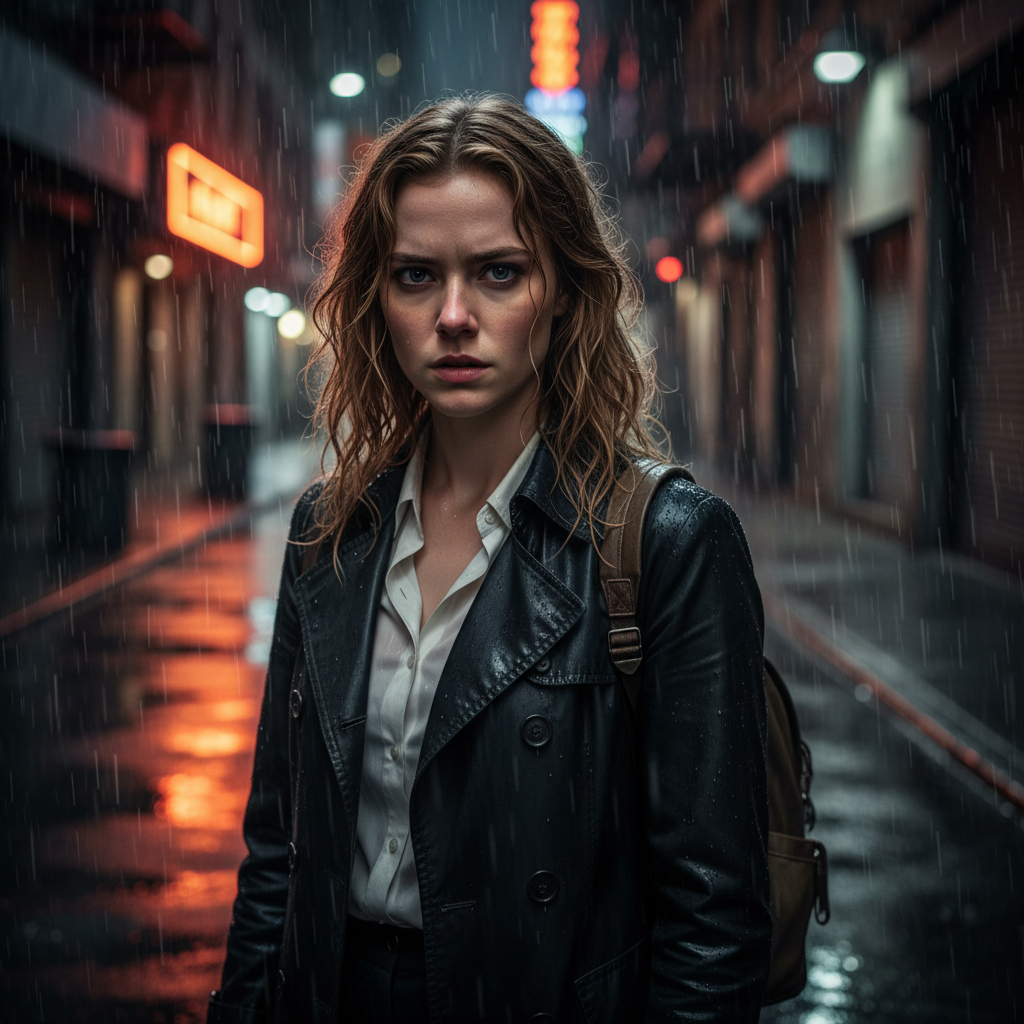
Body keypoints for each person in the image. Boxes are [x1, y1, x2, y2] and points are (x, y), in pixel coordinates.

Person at [208, 94, 770, 1024]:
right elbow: (278, 852)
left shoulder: (669, 542)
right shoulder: (330, 532)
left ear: (562, 293)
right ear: (376, 300)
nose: (455, 316)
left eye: (500, 273)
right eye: (417, 276)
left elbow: (714, 917)